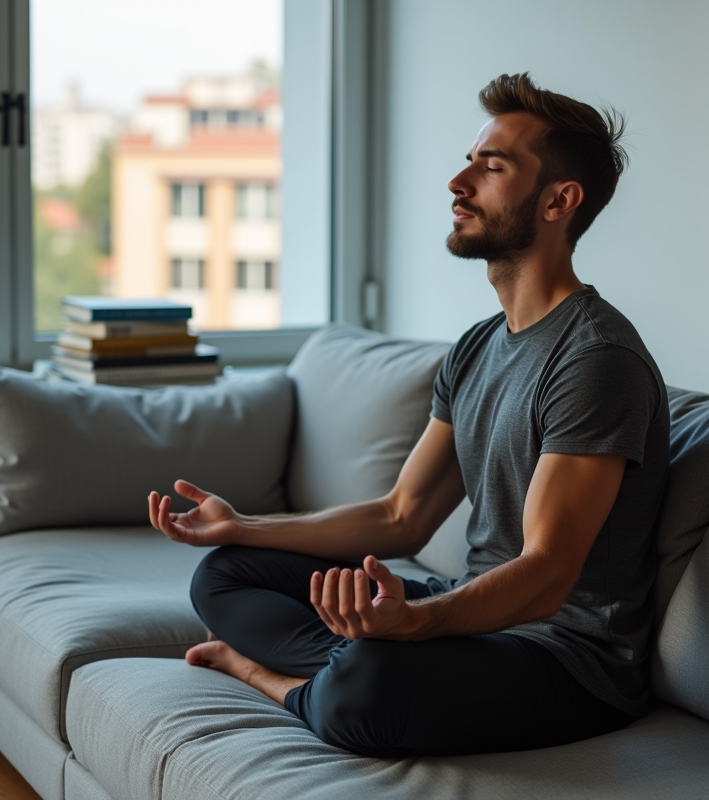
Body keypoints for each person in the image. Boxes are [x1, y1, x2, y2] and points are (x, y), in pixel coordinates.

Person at [147, 72, 669, 758]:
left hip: (565, 659)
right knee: (225, 571)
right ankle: (337, 670)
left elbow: (547, 574)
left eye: (492, 166)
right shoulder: (478, 347)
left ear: (559, 201)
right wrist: (244, 526)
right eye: (468, 161)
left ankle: (269, 677)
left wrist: (414, 625)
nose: (459, 182)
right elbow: (402, 516)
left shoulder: (596, 359)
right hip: (472, 614)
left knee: (373, 679)